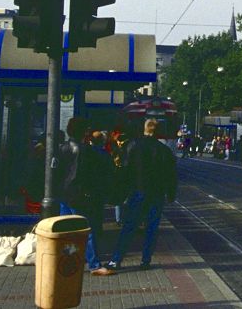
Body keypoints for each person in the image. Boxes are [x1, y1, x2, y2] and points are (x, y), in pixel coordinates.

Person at [107, 118, 178, 270]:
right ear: (158, 132)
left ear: (144, 129)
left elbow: (124, 171)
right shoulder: (164, 151)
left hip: (137, 191)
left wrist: (120, 192)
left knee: (129, 226)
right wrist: (171, 193)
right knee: (151, 228)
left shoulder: (133, 146)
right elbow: (171, 175)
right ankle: (145, 260)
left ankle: (116, 259)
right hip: (157, 194)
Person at [57, 117, 115, 276]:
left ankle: (65, 261)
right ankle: (94, 265)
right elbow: (89, 175)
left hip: (64, 194)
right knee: (87, 230)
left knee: (66, 230)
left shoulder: (62, 148)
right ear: (84, 132)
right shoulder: (86, 151)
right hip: (79, 195)